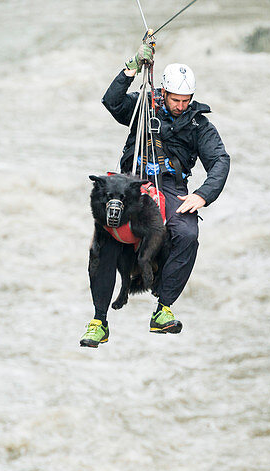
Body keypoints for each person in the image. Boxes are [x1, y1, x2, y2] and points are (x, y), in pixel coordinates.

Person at [80, 36, 230, 342]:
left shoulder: (198, 125)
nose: (180, 105)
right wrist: (131, 68)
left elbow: (220, 160)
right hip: (132, 181)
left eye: (185, 100)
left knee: (187, 234)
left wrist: (203, 194)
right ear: (163, 92)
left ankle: (163, 308)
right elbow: (112, 102)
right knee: (105, 239)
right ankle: (99, 320)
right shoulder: (143, 106)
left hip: (172, 186)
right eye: (175, 99)